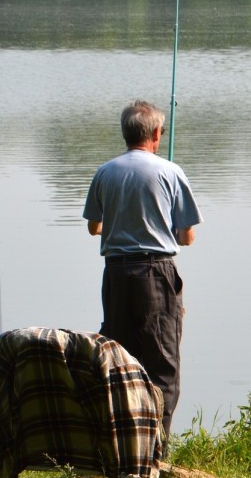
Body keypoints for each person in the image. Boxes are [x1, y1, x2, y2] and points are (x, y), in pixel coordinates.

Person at [83, 99, 202, 455]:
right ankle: (155, 451)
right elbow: (186, 236)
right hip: (156, 273)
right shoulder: (170, 171)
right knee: (163, 364)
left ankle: (119, 445)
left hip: (116, 275)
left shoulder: (105, 172)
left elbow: (94, 228)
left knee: (119, 359)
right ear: (154, 133)